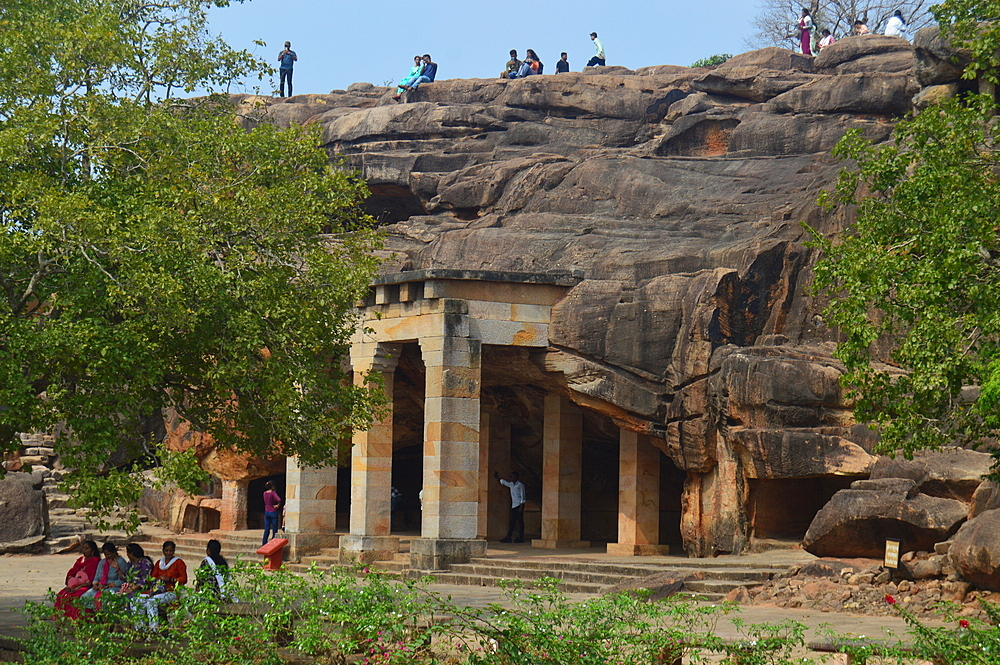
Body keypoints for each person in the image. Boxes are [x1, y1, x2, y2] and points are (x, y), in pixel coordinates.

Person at [133, 541, 187, 631]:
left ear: (174, 551)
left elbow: (184, 579)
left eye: (171, 551)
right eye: (166, 550)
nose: (168, 553)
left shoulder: (179, 562)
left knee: (151, 602)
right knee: (136, 600)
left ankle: (153, 629)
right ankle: (140, 629)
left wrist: (170, 579)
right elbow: (153, 577)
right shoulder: (159, 563)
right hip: (156, 590)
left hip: (171, 591)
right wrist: (155, 580)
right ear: (163, 551)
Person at [54, 540, 100, 619]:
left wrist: (77, 587)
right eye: (83, 548)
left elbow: (91, 578)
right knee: (62, 594)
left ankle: (77, 618)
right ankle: (62, 617)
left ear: (93, 550)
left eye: (87, 548)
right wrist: (70, 584)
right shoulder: (80, 560)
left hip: (87, 585)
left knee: (75, 596)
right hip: (75, 584)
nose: (84, 550)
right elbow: (72, 572)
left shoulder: (95, 561)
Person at [82, 542, 130, 609]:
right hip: (101, 586)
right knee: (84, 597)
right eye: (105, 555)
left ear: (114, 552)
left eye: (109, 554)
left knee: (104, 598)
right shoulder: (103, 562)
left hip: (114, 587)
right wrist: (96, 584)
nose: (107, 557)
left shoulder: (120, 561)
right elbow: (96, 577)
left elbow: (123, 579)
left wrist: (117, 569)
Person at [493, 470, 525, 543]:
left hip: (519, 505)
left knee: (520, 522)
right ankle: (508, 537)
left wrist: (521, 507)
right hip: (514, 505)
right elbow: (503, 482)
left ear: (516, 477)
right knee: (512, 521)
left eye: (512, 476)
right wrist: (497, 477)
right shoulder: (511, 484)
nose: (510, 478)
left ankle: (521, 537)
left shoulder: (520, 485)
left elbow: (523, 497)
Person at [262, 480, 282, 545]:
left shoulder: (264, 493)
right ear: (273, 486)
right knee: (274, 528)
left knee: (267, 528)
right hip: (273, 511)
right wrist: (277, 505)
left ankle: (264, 542)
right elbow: (279, 499)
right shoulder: (273, 493)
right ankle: (273, 541)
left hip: (267, 511)